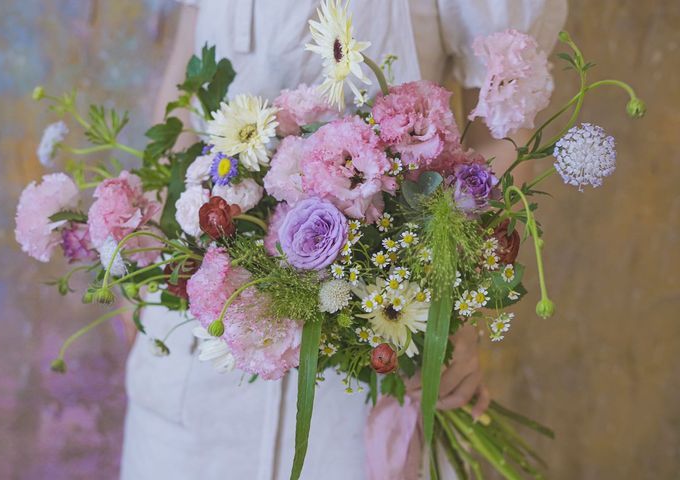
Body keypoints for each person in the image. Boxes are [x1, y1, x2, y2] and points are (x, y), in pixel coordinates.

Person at [120, 1, 567, 479]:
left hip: (375, 358)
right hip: (198, 369)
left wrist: (448, 311)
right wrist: (151, 268)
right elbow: (186, 93)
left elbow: (502, 126)